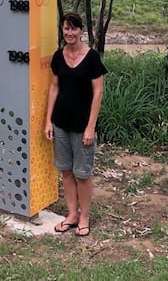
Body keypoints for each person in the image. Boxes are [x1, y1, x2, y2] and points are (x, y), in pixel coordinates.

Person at [45, 12, 107, 237]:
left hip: (82, 126)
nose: (69, 33)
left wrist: (91, 127)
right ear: (62, 31)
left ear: (81, 31)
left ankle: (84, 217)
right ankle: (71, 214)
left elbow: (98, 92)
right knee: (66, 171)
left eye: (74, 29)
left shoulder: (92, 58)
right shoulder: (58, 56)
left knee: (82, 173)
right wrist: (48, 121)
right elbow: (54, 88)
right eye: (66, 29)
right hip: (60, 123)